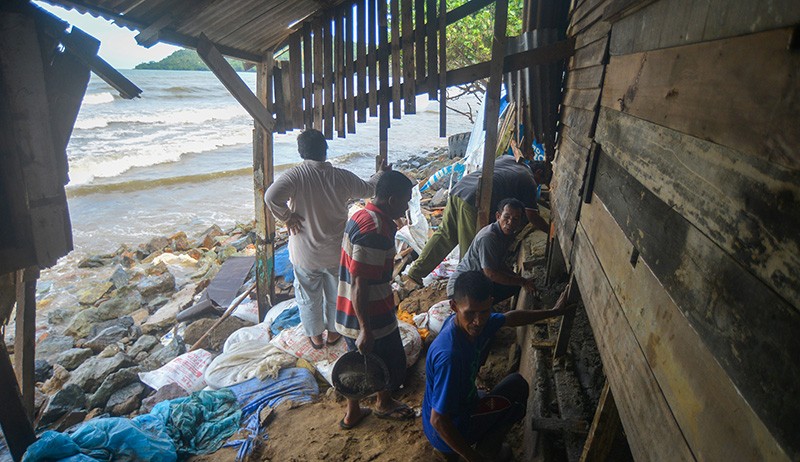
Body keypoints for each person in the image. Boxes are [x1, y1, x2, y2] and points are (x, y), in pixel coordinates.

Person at [423, 271, 571, 461]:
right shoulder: (451, 357)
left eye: (484, 311)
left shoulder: (462, 324)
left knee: (492, 395)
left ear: (490, 302)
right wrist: (473, 458)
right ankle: (483, 452)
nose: (478, 321)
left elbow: (510, 318)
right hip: (449, 428)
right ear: (454, 306)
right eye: (470, 313)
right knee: (516, 389)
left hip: (455, 409)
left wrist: (553, 313)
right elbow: (438, 420)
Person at [264, 129, 386, 349]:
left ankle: (315, 337)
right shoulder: (341, 176)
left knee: (308, 297)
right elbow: (369, 189)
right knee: (334, 294)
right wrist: (380, 173)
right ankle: (332, 333)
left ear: (301, 152)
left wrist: (287, 217)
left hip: (305, 254)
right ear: (325, 150)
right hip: (335, 252)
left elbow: (271, 197)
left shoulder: (295, 176)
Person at [336, 170, 416, 429]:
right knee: (390, 361)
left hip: (347, 309)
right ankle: (383, 403)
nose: (407, 207)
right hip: (370, 315)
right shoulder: (376, 230)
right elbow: (362, 284)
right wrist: (366, 330)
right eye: (406, 200)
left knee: (357, 364)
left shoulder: (361, 215)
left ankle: (353, 413)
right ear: (392, 200)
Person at [405, 154, 549, 287]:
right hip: (475, 200)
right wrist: (550, 230)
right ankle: (464, 289)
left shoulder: (510, 158)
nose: (537, 186)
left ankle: (415, 274)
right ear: (539, 173)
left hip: (459, 190)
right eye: (541, 182)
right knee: (471, 248)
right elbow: (532, 216)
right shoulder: (529, 179)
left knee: (445, 235)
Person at [446, 198, 537, 302]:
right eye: (506, 217)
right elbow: (491, 274)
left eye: (515, 219)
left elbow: (498, 263)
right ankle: (483, 309)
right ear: (498, 216)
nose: (510, 222)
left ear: (520, 221)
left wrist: (517, 278)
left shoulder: (504, 233)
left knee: (514, 286)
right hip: (460, 288)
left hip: (476, 279)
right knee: (512, 286)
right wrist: (522, 281)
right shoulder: (489, 238)